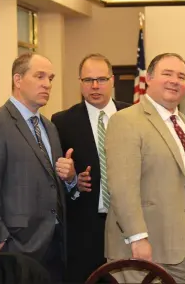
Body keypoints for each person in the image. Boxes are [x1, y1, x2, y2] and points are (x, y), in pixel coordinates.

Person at [104, 53, 185, 283]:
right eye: (167, 74)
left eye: (181, 76)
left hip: (184, 246)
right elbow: (122, 188)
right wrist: (138, 238)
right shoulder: (126, 121)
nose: (175, 80)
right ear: (149, 78)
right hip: (145, 249)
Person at [0, 52, 76, 282]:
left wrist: (70, 177)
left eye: (50, 78)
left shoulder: (49, 127)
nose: (47, 84)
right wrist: (0, 238)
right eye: (39, 76)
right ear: (18, 80)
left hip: (54, 244)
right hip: (15, 247)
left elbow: (52, 183)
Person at [51, 53, 130, 282]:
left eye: (102, 79)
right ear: (80, 82)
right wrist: (72, 180)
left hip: (126, 224)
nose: (95, 86)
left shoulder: (132, 115)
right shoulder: (62, 121)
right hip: (85, 228)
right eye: (88, 80)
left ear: (112, 80)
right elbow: (57, 178)